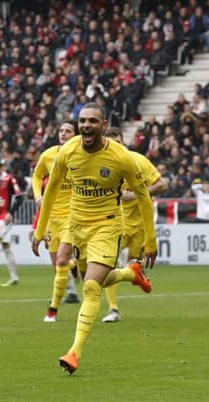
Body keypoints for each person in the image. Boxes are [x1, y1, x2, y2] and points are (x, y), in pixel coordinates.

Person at [32, 103, 157, 375]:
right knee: (94, 278)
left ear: (103, 126)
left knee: (90, 286)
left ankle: (74, 352)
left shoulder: (121, 157)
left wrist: (151, 240)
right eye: (82, 121)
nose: (86, 125)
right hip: (77, 227)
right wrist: (40, 229)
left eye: (92, 121)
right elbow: (50, 189)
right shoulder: (68, 151)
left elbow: (144, 196)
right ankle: (130, 274)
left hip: (107, 227)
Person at [101, 127, 166, 323]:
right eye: (111, 144)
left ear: (124, 143)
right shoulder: (102, 166)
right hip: (115, 224)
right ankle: (113, 309)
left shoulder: (137, 161)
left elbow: (161, 185)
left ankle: (136, 273)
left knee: (132, 265)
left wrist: (137, 193)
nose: (116, 147)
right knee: (106, 265)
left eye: (118, 143)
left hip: (138, 226)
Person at [32, 120, 81, 323]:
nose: (63, 133)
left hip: (72, 215)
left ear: (75, 135)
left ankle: (52, 309)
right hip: (52, 217)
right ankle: (73, 264)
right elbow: (37, 175)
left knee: (60, 261)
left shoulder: (81, 154)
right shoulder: (49, 154)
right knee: (57, 267)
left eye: (68, 131)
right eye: (61, 130)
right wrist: (37, 196)